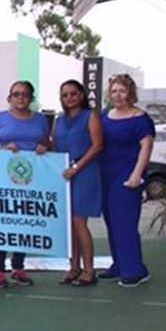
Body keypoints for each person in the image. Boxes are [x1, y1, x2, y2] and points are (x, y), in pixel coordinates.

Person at [0, 80, 50, 289]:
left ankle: (18, 267)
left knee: (24, 222)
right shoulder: (0, 117)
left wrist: (43, 146)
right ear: (9, 98)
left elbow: (49, 143)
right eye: (16, 94)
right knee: (3, 221)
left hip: (31, 178)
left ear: (31, 98)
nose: (21, 98)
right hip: (5, 177)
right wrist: (1, 149)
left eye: (25, 94)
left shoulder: (40, 120)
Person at [99, 74, 154, 287]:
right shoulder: (105, 116)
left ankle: (135, 270)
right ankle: (119, 265)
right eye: (114, 91)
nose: (118, 95)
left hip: (127, 174)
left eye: (122, 91)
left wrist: (136, 174)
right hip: (105, 174)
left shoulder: (140, 118)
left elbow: (146, 147)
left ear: (130, 92)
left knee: (125, 223)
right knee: (111, 222)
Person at [52, 79, 103, 287]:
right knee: (69, 225)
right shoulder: (58, 120)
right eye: (65, 95)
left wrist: (77, 167)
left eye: (73, 93)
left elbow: (97, 145)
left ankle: (89, 270)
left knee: (79, 222)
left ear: (81, 95)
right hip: (65, 174)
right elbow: (54, 146)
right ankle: (74, 267)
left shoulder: (89, 117)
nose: (69, 98)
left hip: (84, 172)